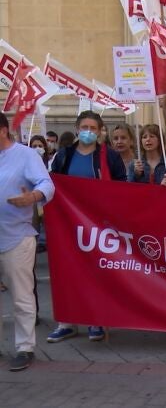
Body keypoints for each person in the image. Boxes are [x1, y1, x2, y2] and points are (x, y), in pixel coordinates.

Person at [48, 111, 126, 343]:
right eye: (84, 127)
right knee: (68, 270)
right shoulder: (65, 155)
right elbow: (54, 183)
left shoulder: (109, 156)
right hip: (69, 223)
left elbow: (122, 185)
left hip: (99, 225)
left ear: (100, 131)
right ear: (76, 127)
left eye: (93, 127)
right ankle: (66, 322)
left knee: (96, 271)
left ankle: (96, 320)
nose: (88, 131)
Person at [0, 112, 55, 371]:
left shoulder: (26, 155)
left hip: (17, 236)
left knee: (21, 295)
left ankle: (24, 348)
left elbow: (47, 183)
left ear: (3, 130)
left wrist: (32, 197)